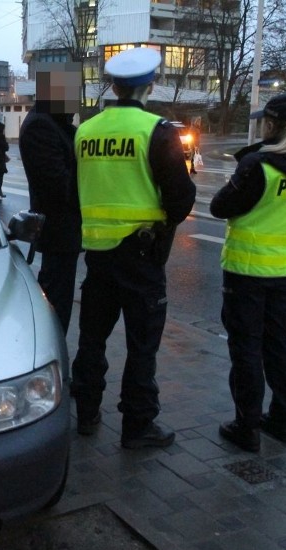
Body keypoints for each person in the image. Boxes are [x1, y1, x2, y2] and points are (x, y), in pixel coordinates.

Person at [70, 47, 196, 447]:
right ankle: (138, 425)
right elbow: (180, 198)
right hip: (141, 256)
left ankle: (87, 413)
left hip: (98, 255)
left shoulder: (86, 131)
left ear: (112, 85)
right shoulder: (157, 130)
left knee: (92, 339)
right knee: (142, 344)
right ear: (150, 85)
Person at [210, 93, 286, 452]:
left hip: (247, 272)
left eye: (265, 121)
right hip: (285, 273)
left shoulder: (260, 166)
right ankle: (281, 420)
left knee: (246, 351)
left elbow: (219, 206)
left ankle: (246, 427)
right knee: (279, 346)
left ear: (272, 124)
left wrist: (247, 164)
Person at [19, 62, 82, 334]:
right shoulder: (41, 127)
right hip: (58, 230)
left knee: (60, 299)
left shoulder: (53, 122)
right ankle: (52, 353)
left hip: (64, 232)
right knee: (56, 304)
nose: (75, 100)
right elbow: (58, 186)